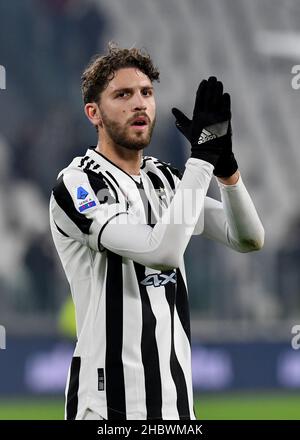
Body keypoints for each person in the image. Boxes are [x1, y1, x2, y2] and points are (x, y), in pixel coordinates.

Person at [49, 42, 264, 420]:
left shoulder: (165, 179)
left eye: (147, 93)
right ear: (93, 113)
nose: (140, 103)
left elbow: (247, 237)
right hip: (107, 408)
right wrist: (200, 159)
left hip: (176, 408)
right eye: (123, 94)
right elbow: (161, 252)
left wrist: (226, 170)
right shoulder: (78, 183)